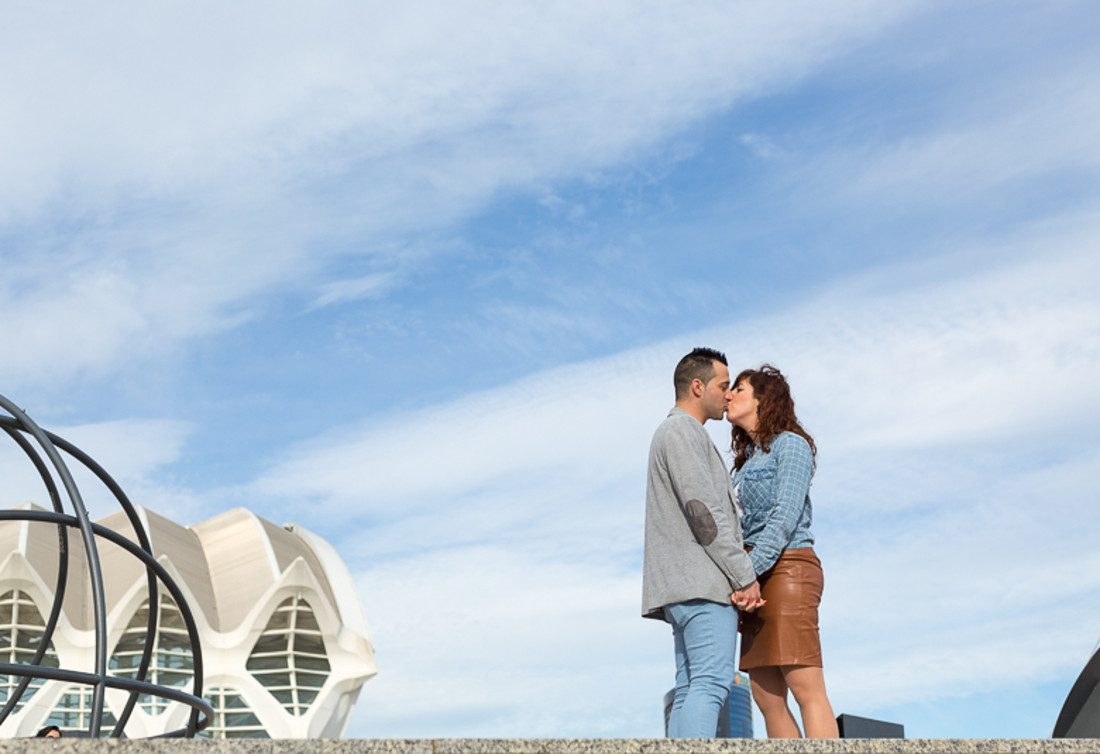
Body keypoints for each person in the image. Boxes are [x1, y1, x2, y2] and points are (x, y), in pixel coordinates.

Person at [643, 347, 763, 738]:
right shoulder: (680, 431)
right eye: (723, 386)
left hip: (684, 588)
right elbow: (703, 513)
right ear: (698, 386)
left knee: (691, 688)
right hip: (702, 587)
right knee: (710, 684)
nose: (728, 395)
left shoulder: (676, 432)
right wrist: (744, 576)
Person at [726, 364, 838, 738]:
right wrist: (746, 577)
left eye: (738, 389)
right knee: (765, 694)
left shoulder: (791, 444)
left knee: (805, 685)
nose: (729, 395)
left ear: (762, 399)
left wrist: (748, 571)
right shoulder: (743, 465)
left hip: (788, 567)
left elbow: (784, 517)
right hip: (754, 578)